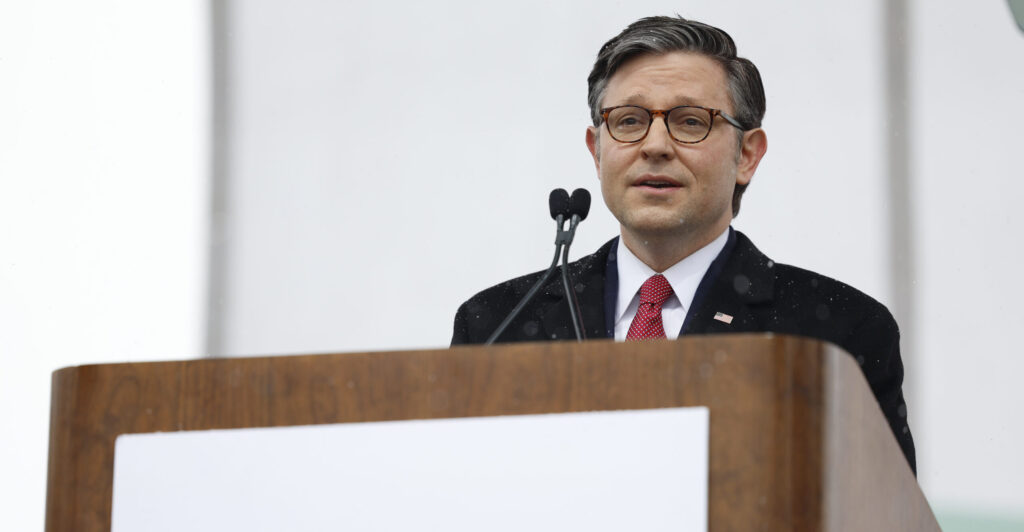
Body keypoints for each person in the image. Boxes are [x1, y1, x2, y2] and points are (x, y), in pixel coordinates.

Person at [450, 15, 915, 473]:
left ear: (747, 155)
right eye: (628, 121)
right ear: (596, 150)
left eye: (690, 122)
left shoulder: (835, 333)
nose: (654, 145)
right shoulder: (498, 325)